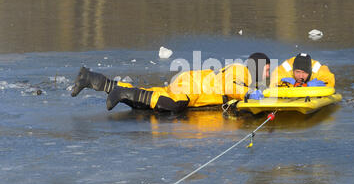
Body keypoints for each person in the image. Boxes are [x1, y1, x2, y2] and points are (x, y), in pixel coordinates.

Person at [71, 52, 270, 113]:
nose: (267, 73)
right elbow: (230, 86)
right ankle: (122, 93)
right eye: (267, 69)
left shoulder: (244, 75)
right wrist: (246, 95)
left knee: (149, 100)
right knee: (174, 103)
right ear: (258, 66)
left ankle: (92, 79)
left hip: (191, 86)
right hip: (191, 88)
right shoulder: (242, 71)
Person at [269, 53, 335, 88]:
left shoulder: (318, 70)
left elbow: (330, 82)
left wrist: (307, 86)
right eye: (297, 72)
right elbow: (273, 85)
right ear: (293, 70)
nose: (301, 76)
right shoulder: (284, 69)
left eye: (304, 72)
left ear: (310, 72)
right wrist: (296, 85)